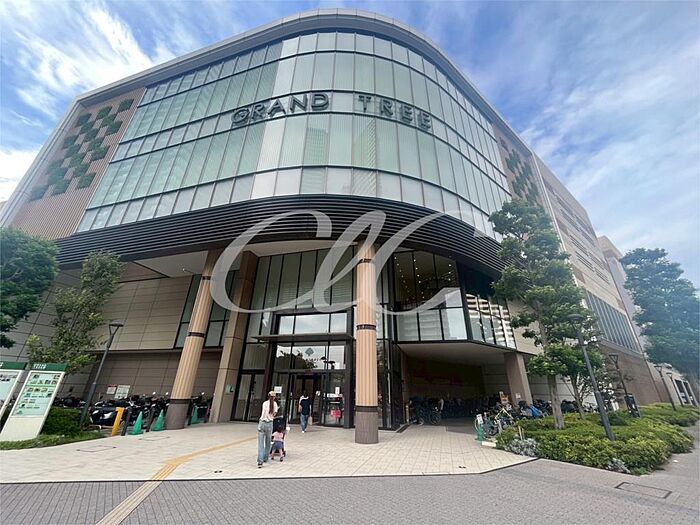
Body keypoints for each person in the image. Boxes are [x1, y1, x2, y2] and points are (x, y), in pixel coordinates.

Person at [257, 391, 278, 468]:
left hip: (262, 423)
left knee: (260, 443)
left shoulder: (265, 403)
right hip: (269, 423)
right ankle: (265, 457)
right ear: (274, 397)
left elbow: (263, 413)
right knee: (268, 442)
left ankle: (260, 461)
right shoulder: (275, 404)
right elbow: (274, 414)